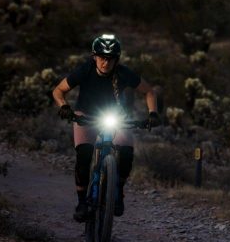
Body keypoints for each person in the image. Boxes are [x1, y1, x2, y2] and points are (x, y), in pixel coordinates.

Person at [52, 34, 160, 222]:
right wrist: (64, 107)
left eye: (110, 59)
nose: (105, 62)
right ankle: (82, 202)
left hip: (115, 116)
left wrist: (153, 114)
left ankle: (117, 191)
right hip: (85, 115)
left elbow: (149, 91)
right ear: (94, 56)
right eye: (102, 57)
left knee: (126, 152)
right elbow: (58, 91)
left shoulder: (123, 73)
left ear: (117, 59)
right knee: (84, 154)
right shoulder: (85, 70)